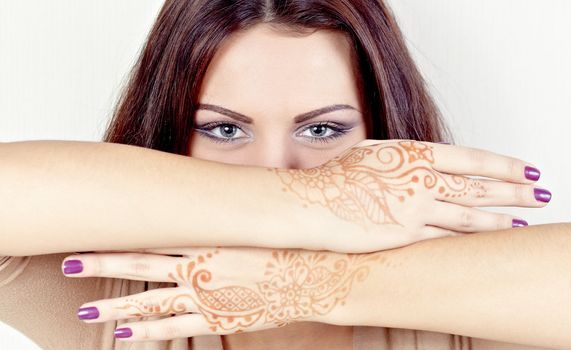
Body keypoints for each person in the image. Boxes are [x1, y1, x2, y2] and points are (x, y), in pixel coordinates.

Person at [0, 0, 568, 349]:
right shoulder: (111, 289)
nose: (275, 169)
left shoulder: (465, 297)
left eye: (321, 131)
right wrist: (317, 201)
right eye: (224, 130)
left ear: (383, 131)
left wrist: (307, 286)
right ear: (171, 130)